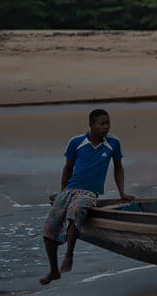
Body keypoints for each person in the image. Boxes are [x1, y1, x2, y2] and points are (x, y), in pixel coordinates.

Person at [40, 108, 135, 285]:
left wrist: (122, 193)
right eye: (102, 124)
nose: (106, 127)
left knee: (75, 211)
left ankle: (69, 255)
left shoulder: (113, 144)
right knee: (50, 228)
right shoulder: (76, 142)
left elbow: (118, 168)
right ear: (91, 125)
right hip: (70, 189)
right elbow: (67, 168)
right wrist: (62, 192)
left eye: (108, 123)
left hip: (89, 193)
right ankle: (53, 271)